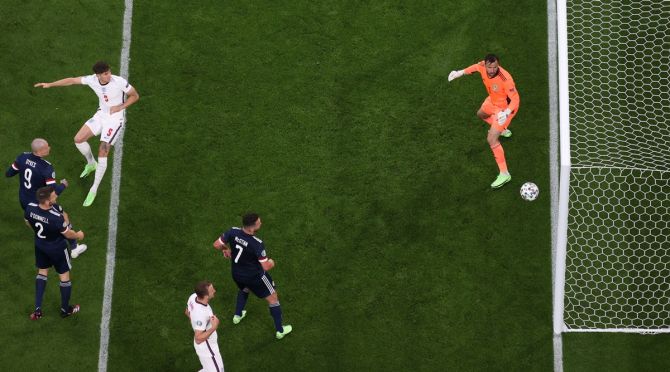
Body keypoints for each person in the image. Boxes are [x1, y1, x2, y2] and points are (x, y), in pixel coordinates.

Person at [34, 61, 140, 206]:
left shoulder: (119, 81)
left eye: (109, 72)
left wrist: (121, 107)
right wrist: (50, 84)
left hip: (115, 119)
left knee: (103, 151)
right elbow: (71, 80)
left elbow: (134, 96)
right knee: (78, 139)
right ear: (98, 75)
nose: (109, 75)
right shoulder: (92, 80)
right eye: (105, 74)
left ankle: (94, 189)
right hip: (101, 115)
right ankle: (91, 164)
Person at [213, 213, 292, 340]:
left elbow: (216, 244)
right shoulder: (257, 243)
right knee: (273, 299)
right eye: (259, 222)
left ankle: (237, 315)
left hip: (237, 274)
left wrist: (225, 249)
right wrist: (272, 262)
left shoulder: (233, 231)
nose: (261, 223)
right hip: (255, 277)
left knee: (244, 289)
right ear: (251, 227)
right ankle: (280, 330)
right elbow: (265, 266)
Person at [448, 53, 521, 189]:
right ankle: (503, 130)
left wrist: (505, 113)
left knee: (492, 139)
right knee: (481, 114)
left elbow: (515, 99)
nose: (492, 70)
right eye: (490, 67)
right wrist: (460, 73)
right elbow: (475, 67)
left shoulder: (506, 79)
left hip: (504, 109)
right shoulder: (482, 66)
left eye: (495, 67)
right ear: (486, 65)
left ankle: (505, 173)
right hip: (492, 101)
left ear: (498, 64)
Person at [6, 139, 85, 257]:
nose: (50, 148)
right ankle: (74, 247)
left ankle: (42, 234)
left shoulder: (22, 157)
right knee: (63, 216)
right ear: (40, 151)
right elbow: (52, 194)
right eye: (47, 147)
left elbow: (9, 173)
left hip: (24, 201)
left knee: (30, 220)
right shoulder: (46, 167)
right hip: (40, 201)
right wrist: (63, 185)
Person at [25, 186, 85, 320]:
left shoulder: (30, 207)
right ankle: (65, 310)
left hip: (40, 245)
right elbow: (68, 234)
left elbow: (27, 222)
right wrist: (78, 235)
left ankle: (38, 310)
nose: (55, 196)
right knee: (64, 276)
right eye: (53, 196)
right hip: (57, 248)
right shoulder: (55, 217)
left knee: (42, 272)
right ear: (47, 201)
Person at [189, 281, 224, 372]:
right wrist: (214, 327)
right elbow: (198, 339)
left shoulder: (193, 297)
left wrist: (196, 323)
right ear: (206, 296)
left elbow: (187, 312)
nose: (215, 291)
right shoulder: (201, 313)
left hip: (206, 346)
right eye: (212, 290)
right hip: (208, 349)